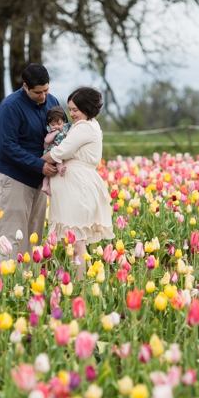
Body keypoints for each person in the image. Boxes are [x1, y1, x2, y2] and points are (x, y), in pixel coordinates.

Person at [0, 64, 62, 259]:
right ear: (26, 87)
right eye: (38, 92)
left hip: (39, 176)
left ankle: (28, 284)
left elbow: (61, 132)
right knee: (12, 234)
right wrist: (40, 165)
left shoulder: (52, 101)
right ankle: (9, 284)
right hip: (12, 174)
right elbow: (7, 146)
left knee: (33, 235)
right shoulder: (10, 106)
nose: (44, 96)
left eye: (46, 90)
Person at [43, 87, 115, 265]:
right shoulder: (84, 126)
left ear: (88, 108)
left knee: (76, 243)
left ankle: (84, 287)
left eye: (75, 110)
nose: (71, 114)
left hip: (76, 187)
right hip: (70, 188)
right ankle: (78, 285)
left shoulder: (84, 127)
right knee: (69, 242)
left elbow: (61, 151)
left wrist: (35, 162)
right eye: (70, 109)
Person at [40, 108, 71, 197]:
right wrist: (54, 133)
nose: (56, 126)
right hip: (52, 150)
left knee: (55, 166)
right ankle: (45, 186)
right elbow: (47, 140)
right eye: (53, 125)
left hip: (61, 150)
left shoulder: (66, 129)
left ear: (64, 122)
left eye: (59, 124)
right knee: (56, 163)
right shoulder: (50, 132)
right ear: (49, 125)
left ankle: (60, 170)